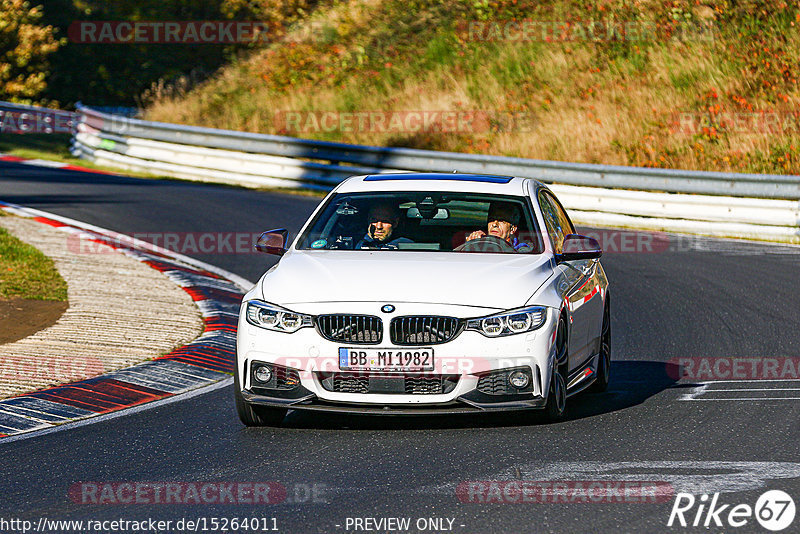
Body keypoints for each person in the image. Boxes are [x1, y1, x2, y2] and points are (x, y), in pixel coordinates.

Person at [465, 201, 531, 251]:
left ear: (512, 229)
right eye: (492, 219)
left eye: (501, 220)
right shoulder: (478, 240)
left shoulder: (521, 249)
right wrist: (470, 245)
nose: (494, 224)